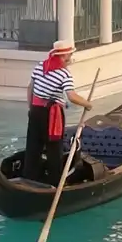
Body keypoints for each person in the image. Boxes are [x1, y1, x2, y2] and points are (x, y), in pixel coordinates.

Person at [26, 39, 91, 184]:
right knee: (54, 149)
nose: (71, 58)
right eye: (70, 55)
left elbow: (30, 88)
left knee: (33, 147)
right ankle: (54, 183)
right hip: (52, 115)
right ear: (63, 56)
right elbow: (71, 96)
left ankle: (29, 179)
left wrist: (31, 109)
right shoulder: (64, 74)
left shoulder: (40, 66)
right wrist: (87, 104)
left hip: (35, 111)